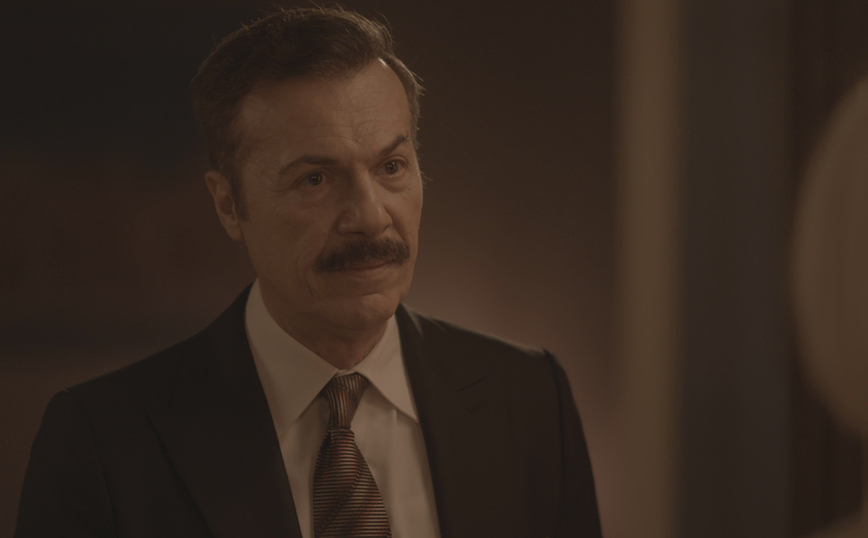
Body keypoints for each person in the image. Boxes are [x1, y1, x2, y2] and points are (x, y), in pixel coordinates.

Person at [15, 6, 601, 538]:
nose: (370, 217)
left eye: (391, 166)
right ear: (228, 205)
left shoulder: (530, 400)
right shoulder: (102, 443)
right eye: (315, 179)